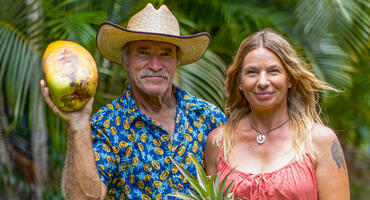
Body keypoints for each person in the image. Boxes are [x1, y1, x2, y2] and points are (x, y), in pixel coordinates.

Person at [40, 3, 227, 200]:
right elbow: (85, 198)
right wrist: (78, 125)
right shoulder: (107, 124)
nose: (155, 65)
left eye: (165, 54)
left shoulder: (209, 117)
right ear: (125, 59)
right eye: (143, 53)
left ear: (177, 60)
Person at [205, 29, 350, 199]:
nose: (263, 82)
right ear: (239, 82)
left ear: (289, 79)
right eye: (252, 72)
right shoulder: (219, 142)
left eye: (273, 71)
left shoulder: (319, 141)